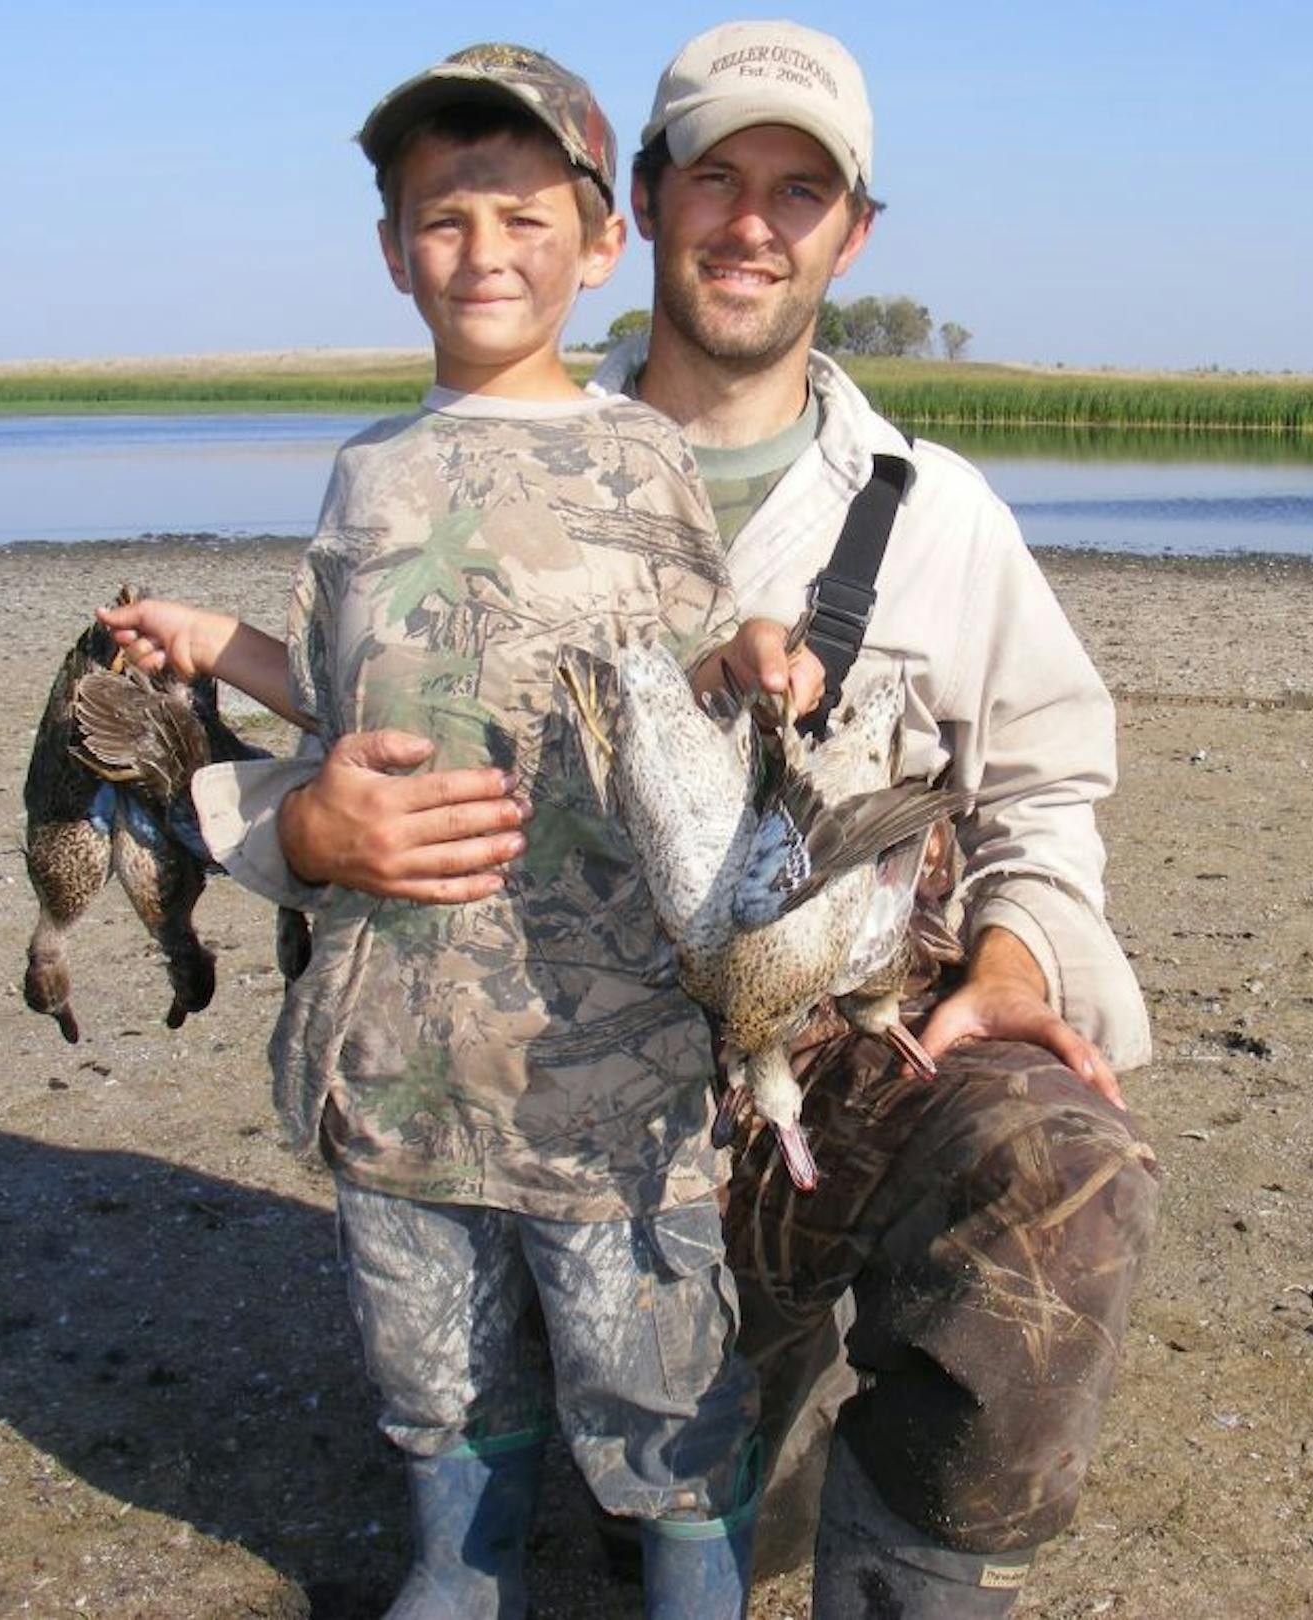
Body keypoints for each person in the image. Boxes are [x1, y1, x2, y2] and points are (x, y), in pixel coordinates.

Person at [198, 20, 1162, 1616]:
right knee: (585, 1451)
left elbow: (1049, 780)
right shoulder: (431, 473)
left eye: (801, 192)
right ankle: (640, 1448)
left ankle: (902, 1579)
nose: (753, 222)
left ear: (854, 233)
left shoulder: (932, 513)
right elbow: (343, 710)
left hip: (825, 1075)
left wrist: (1019, 953)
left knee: (1064, 1165)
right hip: (540, 1070)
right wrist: (302, 835)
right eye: (715, 178)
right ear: (636, 208)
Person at [110, 43, 821, 1617]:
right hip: (397, 1052)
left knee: (655, 1382)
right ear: (390, 251)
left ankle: (688, 1576)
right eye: (443, 221)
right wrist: (213, 640)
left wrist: (756, 658)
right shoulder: (366, 470)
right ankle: (459, 1562)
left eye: (520, 217)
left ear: (597, 242)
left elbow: (689, 676)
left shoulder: (646, 456)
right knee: (434, 1367)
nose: (482, 254)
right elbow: (346, 685)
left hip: (609, 1059)